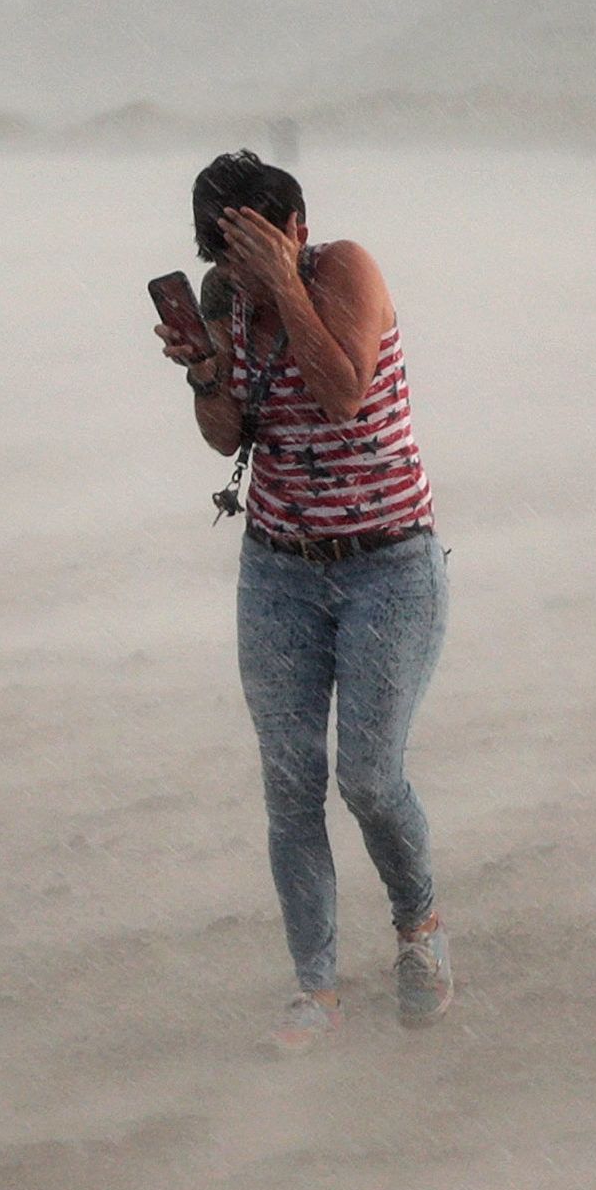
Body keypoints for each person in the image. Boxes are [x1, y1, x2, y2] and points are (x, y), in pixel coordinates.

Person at [153, 151, 453, 1054]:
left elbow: (342, 392)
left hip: (387, 563)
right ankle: (315, 989)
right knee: (289, 783)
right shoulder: (225, 300)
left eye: (252, 247)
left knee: (367, 776)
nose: (235, 272)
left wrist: (287, 286)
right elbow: (226, 438)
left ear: (296, 227)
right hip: (279, 569)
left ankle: (419, 929)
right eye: (223, 254)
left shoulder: (344, 270)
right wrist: (205, 368)